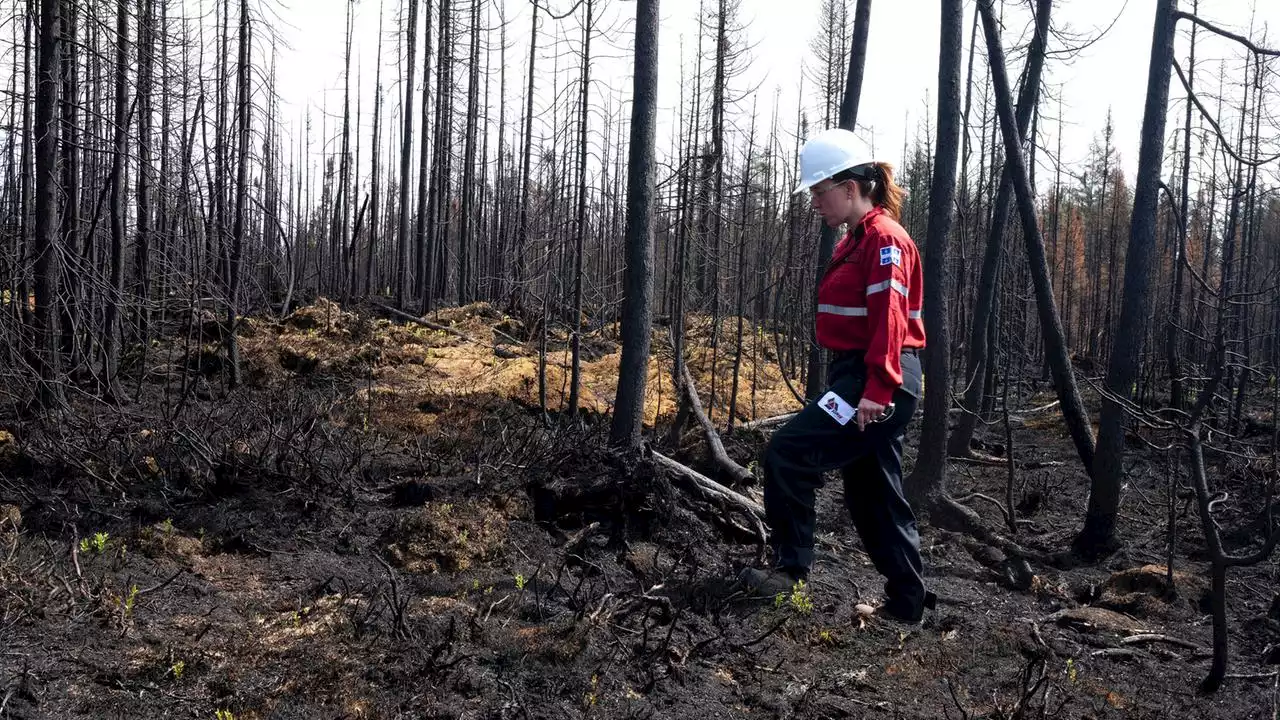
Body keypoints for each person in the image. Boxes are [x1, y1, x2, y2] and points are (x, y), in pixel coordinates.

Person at [739, 128, 934, 624]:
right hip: (865, 374)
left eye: (819, 192)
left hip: (877, 376)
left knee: (788, 451)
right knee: (873, 493)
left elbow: (890, 316)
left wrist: (876, 388)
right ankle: (907, 604)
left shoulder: (884, 239)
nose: (814, 203)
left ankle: (788, 573)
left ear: (850, 187)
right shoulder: (859, 239)